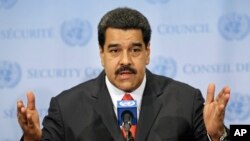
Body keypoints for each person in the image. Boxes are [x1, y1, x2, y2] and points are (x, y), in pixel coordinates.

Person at [17, 7, 231, 141]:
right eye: (115, 50)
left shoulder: (186, 100)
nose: (126, 60)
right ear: (101, 53)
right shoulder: (66, 107)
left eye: (135, 50)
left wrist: (218, 135)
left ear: (148, 52)